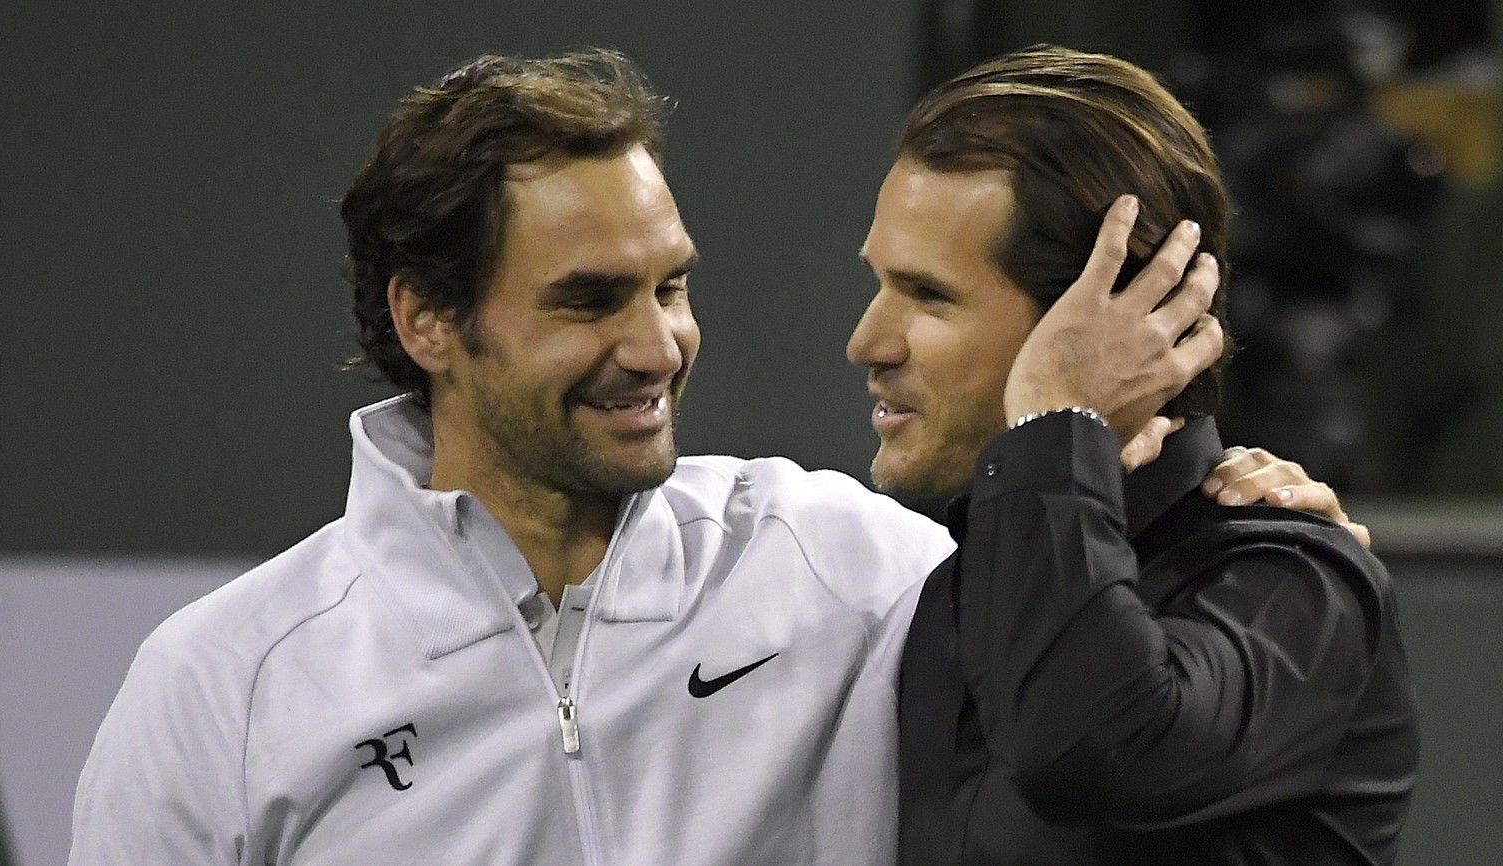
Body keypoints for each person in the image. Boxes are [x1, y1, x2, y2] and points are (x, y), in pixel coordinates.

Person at [70, 49, 1366, 865]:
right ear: (428, 319)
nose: (657, 346)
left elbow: (1081, 617)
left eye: (672, 287)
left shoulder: (855, 563)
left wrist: (1230, 522)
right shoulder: (222, 685)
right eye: (589, 301)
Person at [851, 46, 1420, 865]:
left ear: (1111, 316)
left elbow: (1084, 750)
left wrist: (1056, 420)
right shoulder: (949, 588)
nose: (865, 341)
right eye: (879, 284)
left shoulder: (1294, 584)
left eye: (929, 295)